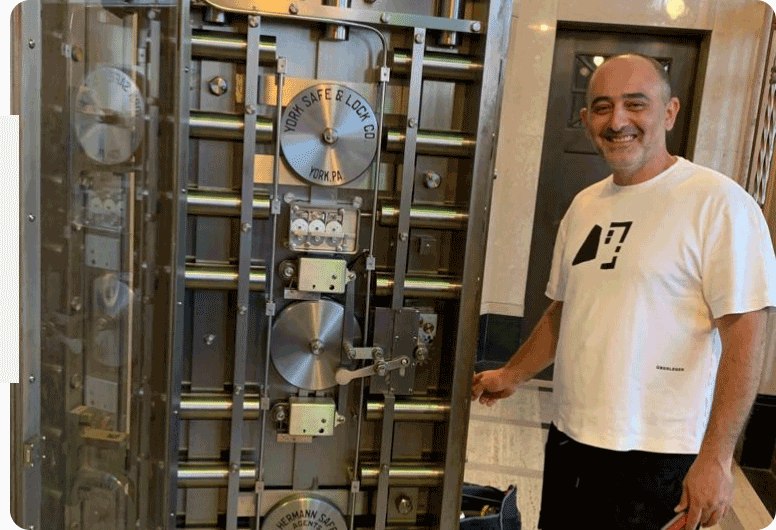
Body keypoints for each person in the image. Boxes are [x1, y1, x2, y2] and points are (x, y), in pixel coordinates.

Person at [471, 53, 776, 530]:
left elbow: (745, 332)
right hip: (571, 438)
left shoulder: (718, 204)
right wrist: (513, 373)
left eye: (635, 104)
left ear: (670, 112)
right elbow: (565, 312)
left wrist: (717, 457)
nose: (617, 121)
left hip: (661, 456)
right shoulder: (584, 206)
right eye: (602, 107)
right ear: (586, 119)